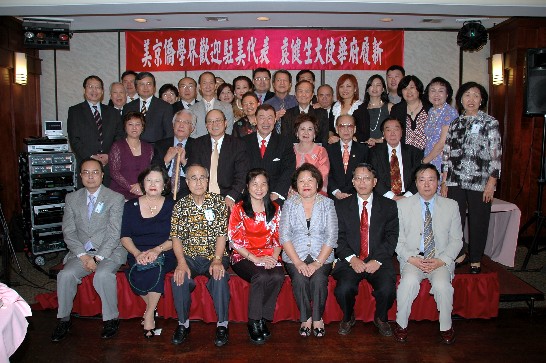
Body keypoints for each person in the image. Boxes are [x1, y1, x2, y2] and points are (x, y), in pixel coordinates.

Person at [51, 158, 125, 342]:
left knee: (102, 275)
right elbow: (68, 231)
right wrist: (83, 256)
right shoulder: (72, 198)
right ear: (80, 175)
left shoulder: (115, 198)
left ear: (102, 175)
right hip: (81, 252)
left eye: (95, 172)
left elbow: (114, 233)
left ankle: (111, 319)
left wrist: (98, 258)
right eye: (86, 172)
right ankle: (64, 319)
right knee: (65, 275)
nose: (90, 176)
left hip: (110, 251)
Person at [394, 163, 462, 345]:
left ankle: (446, 327)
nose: (426, 184)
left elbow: (457, 240)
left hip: (439, 259)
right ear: (415, 183)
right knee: (407, 282)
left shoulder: (451, 206)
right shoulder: (402, 206)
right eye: (422, 180)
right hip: (413, 259)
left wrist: (442, 260)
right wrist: (411, 259)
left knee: (442, 286)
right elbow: (397, 241)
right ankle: (401, 325)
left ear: (438, 182)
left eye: (431, 180)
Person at [441, 82, 502, 274]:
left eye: (476, 95)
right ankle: (459, 252)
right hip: (455, 180)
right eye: (467, 95)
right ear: (460, 99)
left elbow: (496, 154)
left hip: (480, 181)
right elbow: (447, 154)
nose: (471, 99)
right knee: (454, 220)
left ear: (481, 99)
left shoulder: (489, 122)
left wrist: (492, 182)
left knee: (478, 220)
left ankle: (476, 258)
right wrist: (444, 181)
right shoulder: (455, 123)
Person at [333, 163, 398, 337]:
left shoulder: (389, 206)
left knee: (387, 289)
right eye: (358, 178)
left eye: (367, 178)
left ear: (375, 181)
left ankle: (381, 318)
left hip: (379, 259)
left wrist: (377, 260)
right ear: (353, 182)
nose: (362, 182)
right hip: (351, 259)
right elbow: (337, 237)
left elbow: (392, 237)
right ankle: (348, 317)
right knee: (343, 289)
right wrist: (352, 259)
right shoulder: (340, 206)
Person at [170, 164, 230, 347]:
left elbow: (222, 234)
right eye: (193, 178)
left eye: (202, 177)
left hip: (216, 254)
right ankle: (183, 323)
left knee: (219, 277)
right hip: (189, 256)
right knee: (179, 278)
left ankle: (222, 325)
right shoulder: (180, 205)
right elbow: (176, 237)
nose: (198, 182)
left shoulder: (218, 203)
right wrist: (181, 262)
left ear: (208, 180)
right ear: (187, 182)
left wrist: (218, 260)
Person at [279, 163, 338, 337]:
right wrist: (297, 262)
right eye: (301, 180)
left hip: (322, 255)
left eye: (310, 180)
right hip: (294, 254)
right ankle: (306, 318)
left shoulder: (327, 203)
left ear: (317, 183)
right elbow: (284, 236)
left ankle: (318, 318)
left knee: (319, 278)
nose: (306, 184)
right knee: (299, 278)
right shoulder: (289, 204)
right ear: (295, 185)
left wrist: (318, 262)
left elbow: (331, 236)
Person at [228, 168, 284, 344]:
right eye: (254, 184)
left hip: (269, 253)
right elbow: (234, 241)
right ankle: (253, 321)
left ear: (268, 186)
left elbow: (279, 237)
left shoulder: (275, 208)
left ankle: (262, 318)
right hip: (243, 255)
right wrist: (256, 259)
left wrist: (274, 257)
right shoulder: (239, 208)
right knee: (259, 276)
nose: (259, 188)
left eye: (263, 184)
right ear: (247, 186)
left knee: (277, 275)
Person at [120, 165, 177, 338]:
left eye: (157, 180)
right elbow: (124, 236)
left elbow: (176, 237)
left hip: (165, 251)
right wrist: (137, 253)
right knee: (137, 270)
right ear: (142, 184)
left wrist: (156, 250)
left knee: (155, 268)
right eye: (149, 180)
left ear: (164, 185)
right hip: (137, 251)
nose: (153, 184)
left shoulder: (172, 206)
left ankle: (150, 314)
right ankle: (152, 309)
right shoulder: (130, 205)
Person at [67, 75, 124, 187]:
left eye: (97, 87)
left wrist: (109, 155)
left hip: (109, 166)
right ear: (84, 90)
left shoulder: (113, 112)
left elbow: (119, 137)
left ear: (102, 91)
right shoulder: (75, 111)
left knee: (108, 200)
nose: (94, 90)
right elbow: (74, 140)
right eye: (90, 87)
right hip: (86, 165)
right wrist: (91, 156)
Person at [188, 109, 248, 209]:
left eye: (218, 121)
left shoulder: (238, 145)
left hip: (229, 197)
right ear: (206, 125)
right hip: (202, 197)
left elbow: (242, 175)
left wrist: (231, 196)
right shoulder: (197, 144)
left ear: (225, 123)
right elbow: (193, 172)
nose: (214, 124)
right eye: (210, 121)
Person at [242, 104, 296, 206]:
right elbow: (241, 170)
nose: (266, 122)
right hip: (249, 197)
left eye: (270, 118)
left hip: (275, 197)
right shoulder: (243, 142)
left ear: (275, 120)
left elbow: (289, 169)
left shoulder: (284, 142)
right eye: (261, 118)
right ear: (255, 120)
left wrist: (277, 193)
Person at [369, 118, 423, 200]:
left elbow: (419, 177)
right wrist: (392, 197)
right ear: (383, 133)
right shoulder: (374, 153)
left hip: (410, 197)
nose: (392, 134)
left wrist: (406, 197)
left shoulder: (414, 153)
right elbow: (373, 177)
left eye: (396, 129)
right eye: (388, 130)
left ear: (402, 132)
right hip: (384, 198)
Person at [109, 112, 154, 200]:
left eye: (138, 124)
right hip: (119, 193)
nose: (134, 127)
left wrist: (141, 186)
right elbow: (114, 172)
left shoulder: (149, 148)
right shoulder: (117, 146)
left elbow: (151, 171)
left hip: (143, 192)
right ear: (125, 127)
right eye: (130, 124)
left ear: (142, 127)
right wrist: (131, 188)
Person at [152, 109, 195, 199]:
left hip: (187, 186)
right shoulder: (160, 144)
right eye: (178, 121)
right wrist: (166, 160)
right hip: (164, 184)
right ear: (173, 125)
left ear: (192, 128)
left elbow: (197, 173)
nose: (181, 125)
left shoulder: (197, 145)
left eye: (186, 122)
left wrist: (184, 162)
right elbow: (153, 171)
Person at [123, 72, 174, 144]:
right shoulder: (128, 107)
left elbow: (169, 134)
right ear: (136, 88)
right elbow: (124, 131)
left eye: (149, 84)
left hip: (156, 150)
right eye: (141, 84)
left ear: (154, 87)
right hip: (131, 149)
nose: (145, 87)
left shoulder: (165, 107)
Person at [326, 115, 369, 199]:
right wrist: (336, 192)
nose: (346, 130)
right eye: (342, 126)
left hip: (357, 196)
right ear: (336, 129)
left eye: (349, 126)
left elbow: (367, 174)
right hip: (333, 196)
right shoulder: (328, 150)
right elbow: (326, 175)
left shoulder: (364, 149)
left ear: (355, 129)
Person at [422, 77, 458, 175]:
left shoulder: (450, 112)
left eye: (440, 91)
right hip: (430, 158)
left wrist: (424, 162)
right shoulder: (431, 111)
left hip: (443, 161)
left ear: (447, 94)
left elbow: (442, 143)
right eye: (433, 91)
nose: (436, 94)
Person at [281, 80, 329, 145]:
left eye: (307, 91)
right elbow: (285, 140)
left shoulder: (321, 113)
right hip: (293, 152)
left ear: (312, 95)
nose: (303, 95)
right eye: (300, 91)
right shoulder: (287, 114)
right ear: (295, 94)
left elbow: (324, 139)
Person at [389, 75, 431, 151]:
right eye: (405, 88)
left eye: (412, 87)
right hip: (405, 155)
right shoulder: (396, 109)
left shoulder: (430, 108)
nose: (409, 91)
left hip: (428, 155)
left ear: (418, 89)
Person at [293, 113, 330, 195]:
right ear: (297, 133)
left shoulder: (321, 151)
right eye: (302, 129)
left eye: (310, 129)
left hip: (316, 193)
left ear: (315, 133)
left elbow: (323, 175)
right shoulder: (290, 151)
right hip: (292, 192)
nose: (306, 133)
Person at [190, 71, 234, 138]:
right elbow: (192, 133)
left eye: (211, 83)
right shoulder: (192, 109)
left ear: (215, 86)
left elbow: (229, 130)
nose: (208, 86)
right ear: (200, 87)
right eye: (204, 83)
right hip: (199, 146)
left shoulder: (227, 107)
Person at [355, 74, 392, 146]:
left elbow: (396, 130)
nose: (374, 88)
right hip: (364, 148)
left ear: (383, 89)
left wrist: (378, 140)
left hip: (384, 147)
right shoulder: (360, 109)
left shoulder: (389, 107)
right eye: (371, 85)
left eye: (378, 85)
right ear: (367, 89)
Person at [328, 74, 364, 143]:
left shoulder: (361, 107)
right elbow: (331, 129)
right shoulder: (335, 106)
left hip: (355, 146)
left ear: (355, 89)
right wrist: (331, 138)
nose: (345, 89)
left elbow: (364, 134)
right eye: (341, 86)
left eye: (348, 86)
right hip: (336, 145)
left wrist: (344, 141)